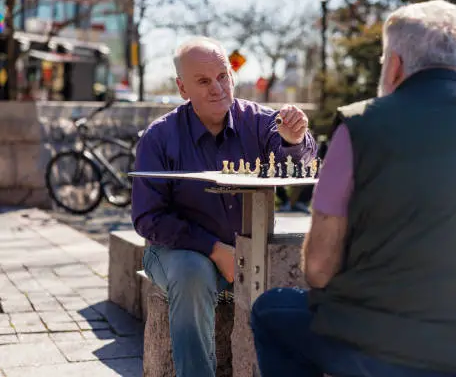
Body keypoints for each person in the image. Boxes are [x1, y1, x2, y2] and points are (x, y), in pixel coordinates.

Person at [250, 0, 456, 377]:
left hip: (395, 351)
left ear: (394, 64)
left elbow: (319, 269)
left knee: (271, 310)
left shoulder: (360, 129)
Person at [131, 36, 317, 377]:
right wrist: (214, 249)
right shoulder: (159, 138)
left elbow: (300, 160)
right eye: (203, 81)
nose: (218, 88)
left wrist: (294, 139)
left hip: (250, 245)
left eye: (223, 75)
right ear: (182, 88)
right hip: (176, 251)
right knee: (191, 274)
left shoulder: (258, 121)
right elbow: (147, 218)